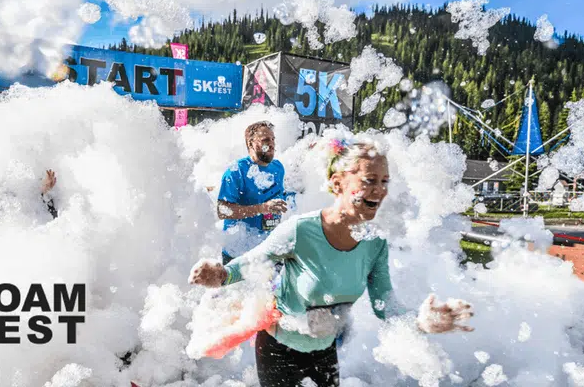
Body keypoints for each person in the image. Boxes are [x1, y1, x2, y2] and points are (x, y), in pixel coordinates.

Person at [189, 138, 474, 387]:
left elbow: (385, 306)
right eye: (369, 180)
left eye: (384, 181)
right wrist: (221, 274)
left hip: (324, 352)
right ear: (338, 183)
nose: (379, 190)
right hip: (279, 351)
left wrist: (421, 321)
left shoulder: (375, 243)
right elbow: (252, 261)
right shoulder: (302, 231)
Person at [217, 121, 292, 265]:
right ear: (250, 144)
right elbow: (223, 211)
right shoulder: (236, 171)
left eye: (273, 139)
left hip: (270, 250)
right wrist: (262, 208)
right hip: (239, 254)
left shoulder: (278, 168)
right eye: (265, 140)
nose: (272, 144)